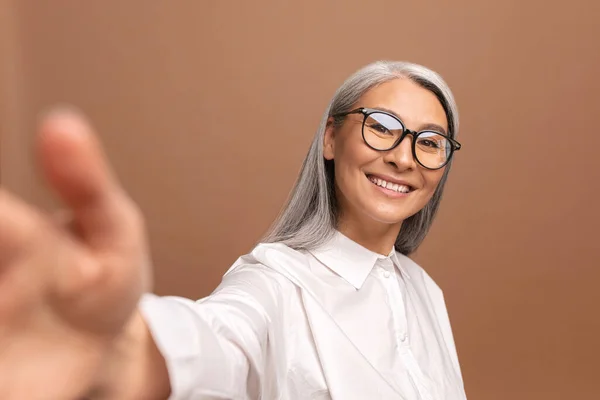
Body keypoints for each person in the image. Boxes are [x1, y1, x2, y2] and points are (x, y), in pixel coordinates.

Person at [0, 60, 466, 400]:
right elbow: (219, 338)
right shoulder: (274, 283)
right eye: (382, 127)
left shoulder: (425, 291)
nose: (404, 158)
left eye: (429, 142)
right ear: (330, 138)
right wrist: (124, 352)